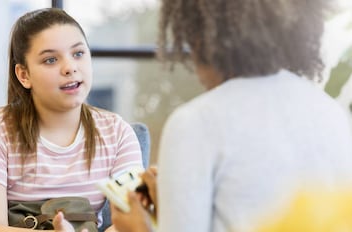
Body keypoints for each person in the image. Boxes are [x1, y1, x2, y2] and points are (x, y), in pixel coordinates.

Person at [110, 0, 352, 232]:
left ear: (201, 34)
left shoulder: (196, 122)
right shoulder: (330, 112)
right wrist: (174, 205)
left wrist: (139, 228)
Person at [0, 8, 143, 232]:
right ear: (24, 75)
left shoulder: (117, 133)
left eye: (78, 53)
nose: (70, 67)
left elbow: (133, 223)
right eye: (51, 59)